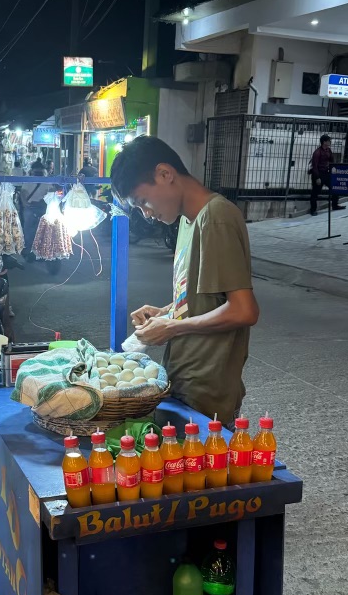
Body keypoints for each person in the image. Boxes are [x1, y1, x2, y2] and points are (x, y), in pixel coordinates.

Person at [111, 135, 259, 424]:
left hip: (207, 391)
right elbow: (203, 297)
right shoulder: (187, 221)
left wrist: (172, 328)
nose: (147, 213)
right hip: (185, 380)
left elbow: (244, 310)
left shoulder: (216, 217)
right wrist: (165, 312)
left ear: (165, 174)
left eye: (143, 201)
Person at [309, 133, 345, 216]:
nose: (330, 142)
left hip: (326, 173)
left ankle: (335, 205)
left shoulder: (328, 150)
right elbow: (314, 166)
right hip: (318, 174)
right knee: (315, 192)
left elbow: (332, 161)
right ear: (324, 142)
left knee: (335, 187)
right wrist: (317, 177)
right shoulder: (317, 152)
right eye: (329, 141)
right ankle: (313, 210)